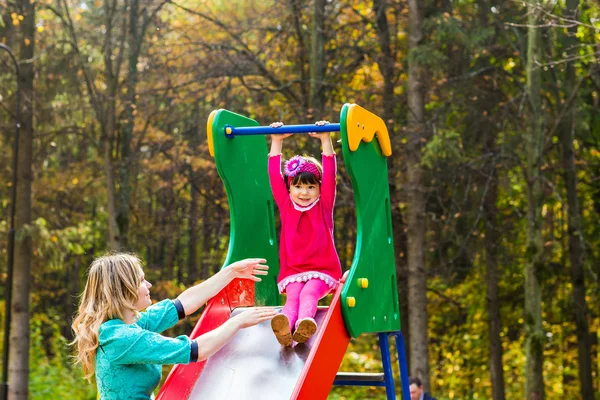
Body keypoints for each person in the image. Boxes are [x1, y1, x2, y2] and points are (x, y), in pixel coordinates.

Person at [71, 253, 278, 400]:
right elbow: (196, 350)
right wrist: (238, 322)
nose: (149, 285)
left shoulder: (127, 325)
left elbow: (183, 304)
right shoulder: (123, 338)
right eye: (142, 281)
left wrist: (231, 272)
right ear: (125, 290)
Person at [267, 120, 342, 347]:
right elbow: (273, 175)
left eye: (311, 187)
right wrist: (276, 142)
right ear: (289, 188)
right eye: (298, 187)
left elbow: (330, 174)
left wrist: (325, 139)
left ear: (319, 188)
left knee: (308, 294)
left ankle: (304, 324)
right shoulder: (286, 205)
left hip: (322, 271)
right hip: (294, 270)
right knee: (293, 296)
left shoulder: (323, 206)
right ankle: (284, 328)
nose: (304, 192)